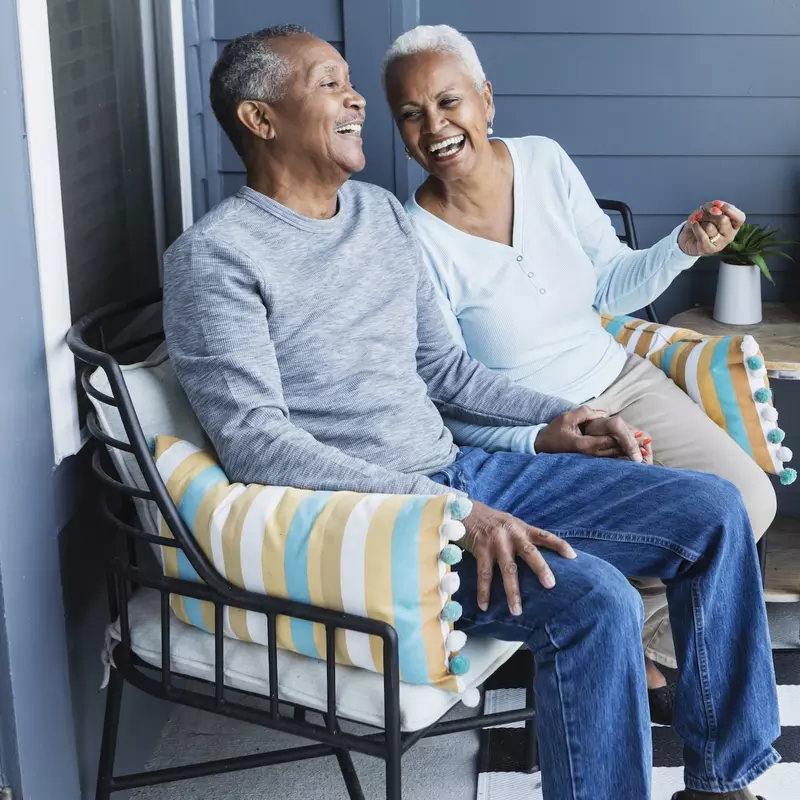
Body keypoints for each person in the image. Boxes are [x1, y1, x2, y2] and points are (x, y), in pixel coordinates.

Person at [162, 24, 779, 800]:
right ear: (260, 119)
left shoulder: (378, 217)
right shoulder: (216, 257)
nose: (358, 99)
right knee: (596, 604)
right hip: (380, 522)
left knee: (716, 510)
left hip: (461, 476)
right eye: (329, 83)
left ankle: (721, 784)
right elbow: (257, 445)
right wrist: (451, 510)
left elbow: (445, 370)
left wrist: (566, 413)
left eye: (351, 82)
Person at [381, 23, 778, 726]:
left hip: (621, 378)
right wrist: (544, 436)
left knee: (748, 500)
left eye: (449, 103)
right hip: (536, 432)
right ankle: (655, 655)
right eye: (411, 115)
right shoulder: (411, 237)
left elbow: (609, 287)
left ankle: (644, 635)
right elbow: (447, 394)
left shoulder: (544, 162)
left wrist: (682, 247)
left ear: (486, 99)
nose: (434, 127)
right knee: (686, 528)